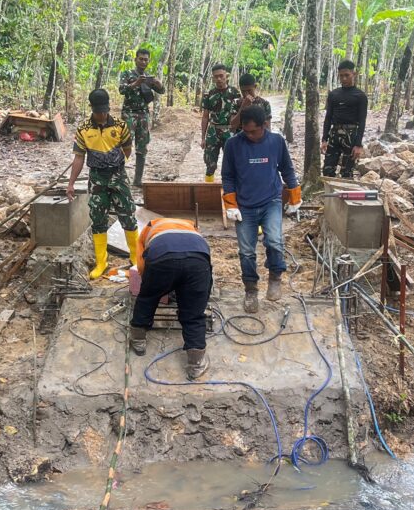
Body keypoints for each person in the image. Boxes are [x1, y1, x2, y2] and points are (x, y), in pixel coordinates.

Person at [221, 106, 301, 313]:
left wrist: (294, 195)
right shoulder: (232, 145)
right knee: (246, 252)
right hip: (244, 205)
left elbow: (287, 169)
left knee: (274, 241)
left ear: (264, 125)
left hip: (270, 201)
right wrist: (230, 203)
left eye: (253, 131)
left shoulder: (276, 142)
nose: (249, 135)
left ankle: (275, 276)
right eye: (245, 131)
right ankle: (250, 289)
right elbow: (228, 176)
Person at [67, 89, 139, 278]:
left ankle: (136, 258)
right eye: (99, 111)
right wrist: (71, 184)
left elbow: (128, 149)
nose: (102, 114)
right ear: (92, 108)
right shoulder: (83, 129)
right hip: (97, 178)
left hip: (118, 175)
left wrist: (115, 162)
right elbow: (79, 158)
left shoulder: (121, 126)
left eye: (105, 110)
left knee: (128, 215)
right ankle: (101, 262)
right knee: (98, 218)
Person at [128, 218, 212, 380]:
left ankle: (138, 340)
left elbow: (141, 264)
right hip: (197, 261)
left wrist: (153, 284)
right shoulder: (193, 230)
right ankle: (196, 364)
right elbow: (205, 270)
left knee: (147, 298)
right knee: (193, 313)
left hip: (162, 257)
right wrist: (197, 299)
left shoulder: (151, 226)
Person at [118, 48, 165, 186]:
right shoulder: (127, 74)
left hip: (143, 114)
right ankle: (120, 176)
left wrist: (157, 84)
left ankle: (138, 180)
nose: (143, 62)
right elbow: (122, 90)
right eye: (141, 59)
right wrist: (135, 83)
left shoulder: (148, 77)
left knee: (142, 147)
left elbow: (161, 91)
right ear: (135, 60)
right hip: (129, 113)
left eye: (146, 60)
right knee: (125, 144)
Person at [321, 59, 368, 179]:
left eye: (347, 75)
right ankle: (329, 197)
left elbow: (362, 121)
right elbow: (328, 117)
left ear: (354, 74)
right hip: (334, 133)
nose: (344, 79)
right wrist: (324, 139)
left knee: (347, 172)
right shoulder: (334, 95)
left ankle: (344, 195)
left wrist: (358, 145)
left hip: (351, 134)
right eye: (341, 76)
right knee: (327, 170)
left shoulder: (360, 96)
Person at [200, 64, 241, 183]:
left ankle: (232, 190)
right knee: (210, 164)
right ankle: (208, 188)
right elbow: (205, 116)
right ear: (213, 78)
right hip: (213, 131)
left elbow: (239, 115)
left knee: (232, 163)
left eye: (221, 76)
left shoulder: (234, 93)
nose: (218, 79)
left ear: (226, 76)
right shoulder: (209, 94)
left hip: (229, 131)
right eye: (215, 77)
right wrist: (203, 137)